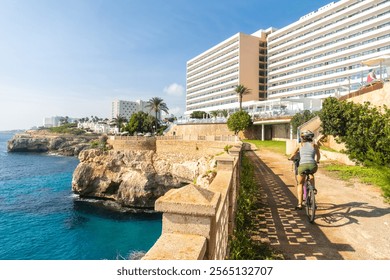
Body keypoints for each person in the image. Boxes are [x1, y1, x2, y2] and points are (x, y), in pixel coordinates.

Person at [288, 130, 321, 210]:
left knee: (300, 184)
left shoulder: (300, 145)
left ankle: (299, 204)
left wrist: (290, 158)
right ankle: (312, 188)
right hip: (312, 165)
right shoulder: (314, 145)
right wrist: (317, 161)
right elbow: (318, 155)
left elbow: (293, 154)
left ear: (303, 138)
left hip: (303, 165)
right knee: (311, 173)